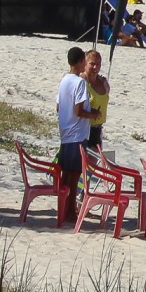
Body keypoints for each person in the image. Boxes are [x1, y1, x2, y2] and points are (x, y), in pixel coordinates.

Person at [55, 46, 95, 225]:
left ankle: (63, 209)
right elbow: (78, 110)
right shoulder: (79, 82)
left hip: (66, 132)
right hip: (76, 134)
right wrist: (93, 114)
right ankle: (69, 211)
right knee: (74, 175)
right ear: (80, 62)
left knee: (66, 174)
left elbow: (59, 106)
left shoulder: (64, 80)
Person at [83, 48, 109, 150]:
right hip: (85, 129)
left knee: (94, 163)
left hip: (98, 128)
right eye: (92, 64)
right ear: (85, 64)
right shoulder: (82, 82)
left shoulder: (102, 82)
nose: (95, 67)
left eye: (98, 64)